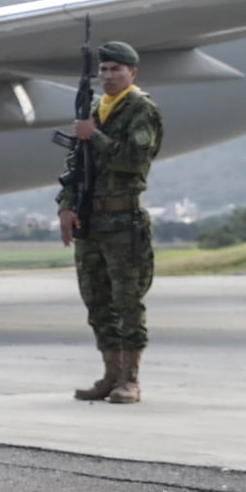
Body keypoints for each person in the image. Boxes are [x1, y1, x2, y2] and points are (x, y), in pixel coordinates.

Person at [59, 41, 161, 405]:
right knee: (97, 300)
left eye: (116, 69)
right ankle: (109, 374)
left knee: (126, 301)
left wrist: (95, 136)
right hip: (91, 219)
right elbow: (75, 168)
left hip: (123, 220)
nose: (108, 76)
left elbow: (134, 160)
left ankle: (130, 379)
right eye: (103, 70)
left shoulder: (141, 110)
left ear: (132, 73)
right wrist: (66, 207)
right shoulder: (93, 110)